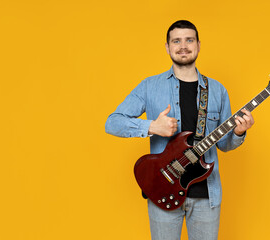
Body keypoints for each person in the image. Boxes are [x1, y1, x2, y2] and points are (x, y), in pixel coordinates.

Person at [105, 20, 254, 240]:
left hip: (206, 195)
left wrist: (239, 133)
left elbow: (224, 145)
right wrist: (152, 126)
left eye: (189, 40)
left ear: (198, 45)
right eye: (176, 41)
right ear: (167, 47)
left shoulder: (217, 90)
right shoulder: (149, 86)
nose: (183, 46)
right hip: (162, 190)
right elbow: (113, 122)